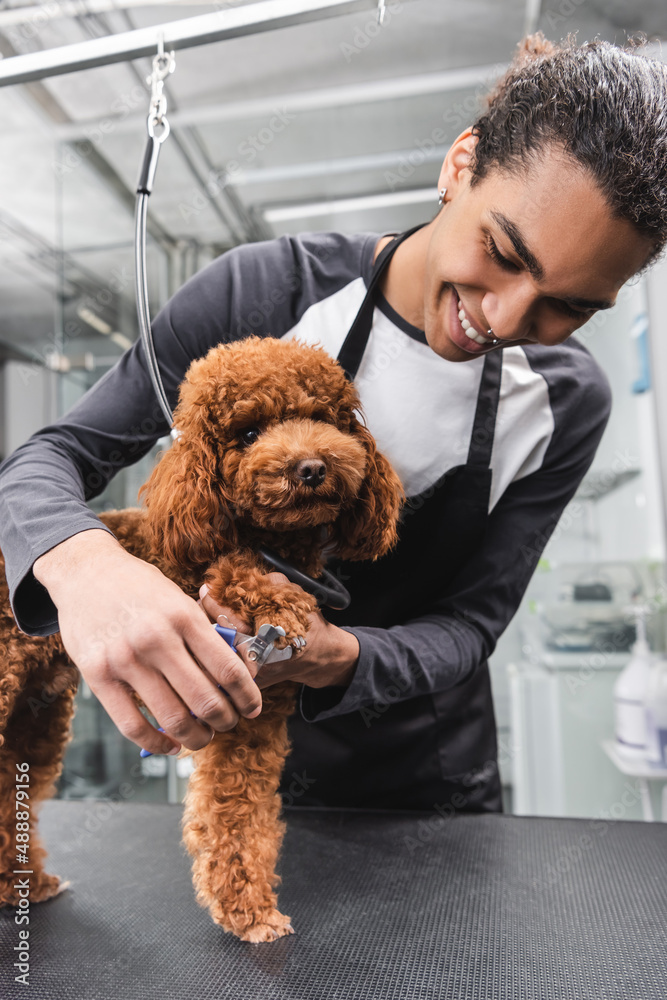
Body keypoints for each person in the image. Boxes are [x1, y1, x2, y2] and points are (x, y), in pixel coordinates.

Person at [1, 34, 666, 812]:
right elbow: (52, 457)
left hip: (431, 785)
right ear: (460, 165)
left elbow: (470, 624)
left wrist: (336, 656)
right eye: (504, 252)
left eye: (572, 305)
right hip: (242, 768)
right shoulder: (262, 292)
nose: (506, 316)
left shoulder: (563, 399)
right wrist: (90, 570)